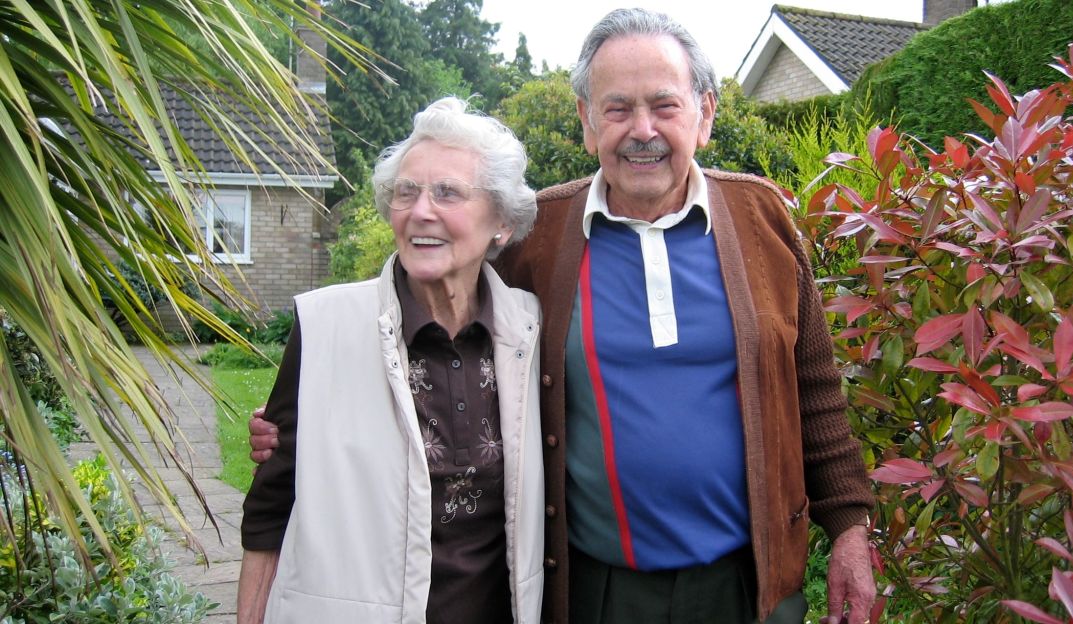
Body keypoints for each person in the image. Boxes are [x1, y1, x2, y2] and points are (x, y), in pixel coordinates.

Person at [251, 9, 876, 624]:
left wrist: (848, 529)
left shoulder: (760, 219)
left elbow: (815, 390)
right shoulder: (539, 237)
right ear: (585, 121)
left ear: (704, 113)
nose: (642, 130)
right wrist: (313, 404)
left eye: (664, 106)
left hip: (747, 586)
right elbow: (440, 323)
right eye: (616, 108)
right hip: (592, 591)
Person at [236, 96, 545, 624]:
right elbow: (268, 510)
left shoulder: (531, 328)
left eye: (448, 192)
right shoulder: (324, 326)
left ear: (502, 224)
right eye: (407, 192)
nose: (421, 210)